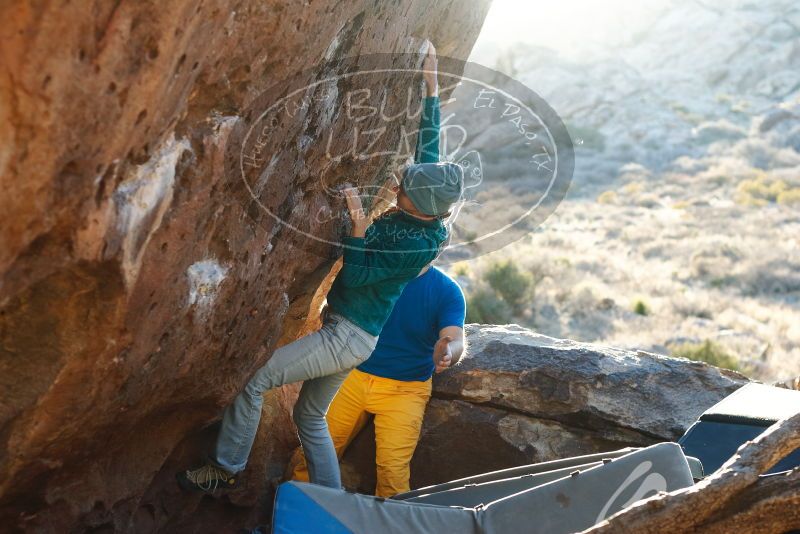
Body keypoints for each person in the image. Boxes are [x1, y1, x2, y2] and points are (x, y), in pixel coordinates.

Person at [177, 42, 464, 493]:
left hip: (347, 336)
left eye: (402, 187)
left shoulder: (414, 244)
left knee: (257, 380)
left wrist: (356, 225)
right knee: (309, 416)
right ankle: (328, 499)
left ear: (421, 206)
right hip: (353, 336)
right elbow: (430, 148)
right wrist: (430, 86)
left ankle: (224, 470)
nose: (396, 182)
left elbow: (356, 276)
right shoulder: (426, 206)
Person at [288, 263, 465, 497]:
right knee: (312, 454)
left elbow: (455, 339)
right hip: (351, 375)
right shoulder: (378, 270)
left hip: (406, 390)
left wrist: (447, 353)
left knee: (393, 473)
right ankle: (295, 515)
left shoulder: (447, 290)